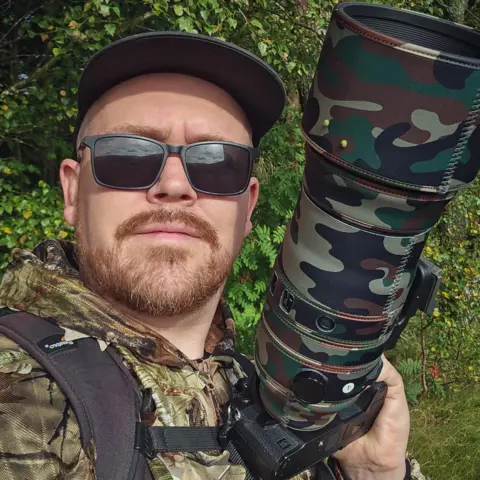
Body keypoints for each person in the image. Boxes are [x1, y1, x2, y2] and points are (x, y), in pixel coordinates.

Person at [0, 31, 428, 480]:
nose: (175, 186)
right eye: (128, 155)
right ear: (72, 190)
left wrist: (374, 473)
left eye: (217, 163)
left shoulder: (265, 394)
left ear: (248, 207)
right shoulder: (20, 399)